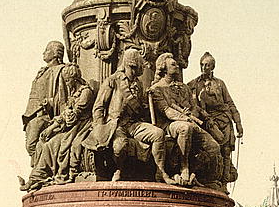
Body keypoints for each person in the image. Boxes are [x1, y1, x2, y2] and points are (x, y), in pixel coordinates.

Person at [89, 46, 174, 183]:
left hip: (134, 125)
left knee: (158, 134)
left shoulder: (139, 85)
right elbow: (98, 107)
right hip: (116, 125)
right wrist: (100, 128)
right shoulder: (112, 81)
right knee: (120, 145)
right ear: (131, 65)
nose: (141, 69)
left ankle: (160, 172)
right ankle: (118, 169)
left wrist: (147, 100)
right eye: (139, 66)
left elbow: (141, 109)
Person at [149, 52, 222, 187]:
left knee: (214, 147)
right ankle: (184, 167)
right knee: (185, 128)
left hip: (189, 121)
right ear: (163, 67)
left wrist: (192, 114)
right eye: (173, 64)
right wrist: (185, 118)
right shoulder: (156, 89)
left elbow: (194, 107)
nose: (176, 66)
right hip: (168, 125)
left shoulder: (184, 88)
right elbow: (167, 111)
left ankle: (193, 172)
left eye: (176, 64)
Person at [25, 64, 94, 190]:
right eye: (65, 80)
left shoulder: (86, 92)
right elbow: (65, 114)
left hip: (82, 126)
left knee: (63, 147)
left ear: (75, 78)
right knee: (44, 144)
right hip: (71, 127)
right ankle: (37, 178)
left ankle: (62, 175)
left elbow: (74, 115)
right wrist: (50, 129)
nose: (66, 83)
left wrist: (55, 125)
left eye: (67, 80)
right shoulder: (73, 94)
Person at [187, 51, 243, 187]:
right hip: (207, 122)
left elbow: (230, 103)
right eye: (202, 64)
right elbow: (191, 105)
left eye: (207, 65)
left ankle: (223, 184)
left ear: (212, 67)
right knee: (210, 149)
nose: (203, 67)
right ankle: (205, 178)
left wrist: (238, 123)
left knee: (226, 152)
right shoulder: (193, 84)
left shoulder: (220, 84)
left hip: (224, 119)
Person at [22, 41, 72, 162]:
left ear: (55, 54)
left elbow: (62, 97)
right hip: (32, 114)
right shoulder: (43, 71)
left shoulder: (60, 71)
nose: (44, 53)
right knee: (32, 146)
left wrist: (48, 104)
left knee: (32, 145)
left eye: (47, 50)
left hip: (43, 115)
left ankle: (42, 171)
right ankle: (40, 170)